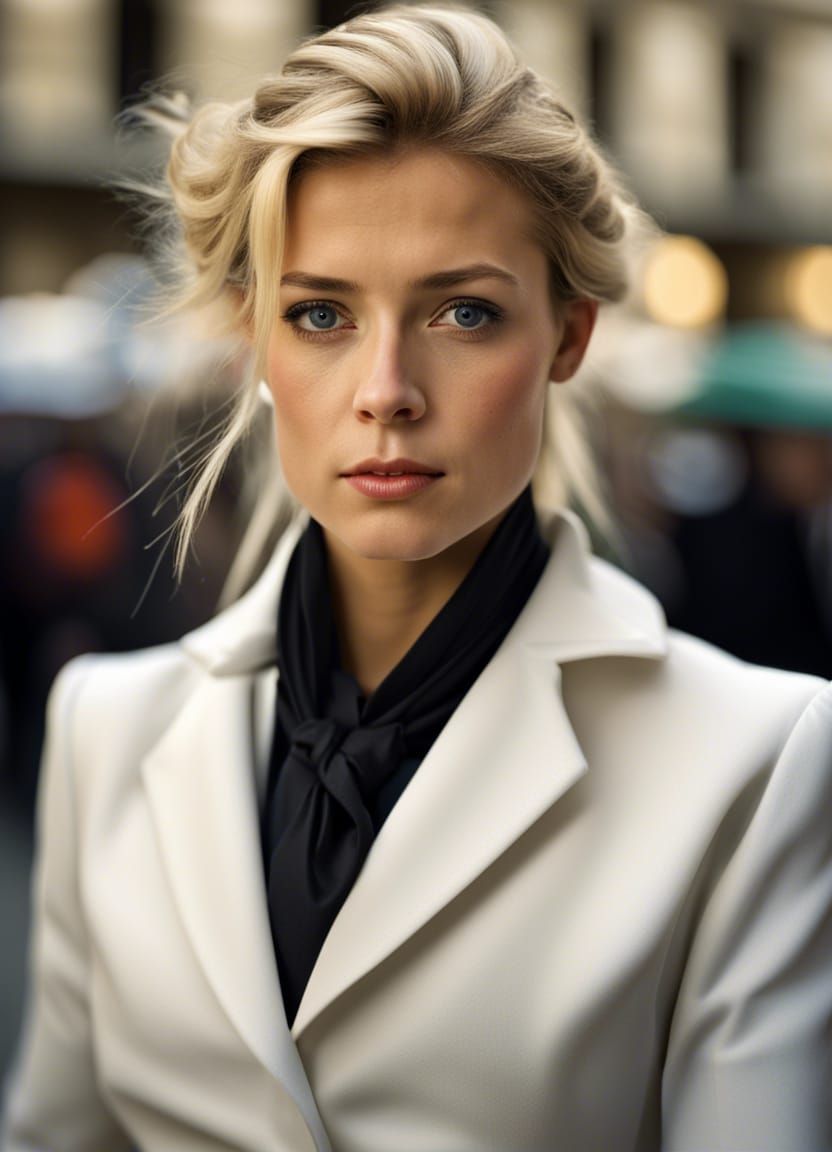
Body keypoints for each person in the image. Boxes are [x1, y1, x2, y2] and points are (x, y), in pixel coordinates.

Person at [3, 5, 832, 1150]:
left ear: (567, 337)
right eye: (321, 314)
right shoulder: (106, 727)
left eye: (464, 311)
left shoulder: (759, 761)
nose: (386, 387)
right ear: (256, 344)